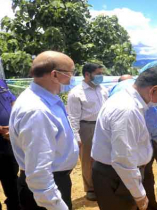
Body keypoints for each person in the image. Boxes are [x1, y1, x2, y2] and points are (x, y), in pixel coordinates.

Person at [91, 66, 157, 210]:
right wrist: (139, 194)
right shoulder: (126, 110)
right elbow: (123, 159)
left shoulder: (133, 101)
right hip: (117, 176)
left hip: (123, 174)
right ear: (154, 90)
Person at [9, 51, 79, 210]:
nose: (72, 78)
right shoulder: (37, 111)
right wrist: (56, 205)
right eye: (70, 73)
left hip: (51, 183)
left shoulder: (45, 100)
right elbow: (39, 172)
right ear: (55, 75)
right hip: (46, 191)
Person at [67, 63, 108, 201]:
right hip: (87, 127)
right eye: (98, 73)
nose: (100, 76)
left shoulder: (102, 89)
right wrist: (76, 136)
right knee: (88, 159)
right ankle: (90, 188)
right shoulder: (76, 93)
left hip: (103, 125)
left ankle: (104, 185)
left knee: (105, 156)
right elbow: (73, 117)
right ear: (87, 74)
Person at [0, 79, 21, 210]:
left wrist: (15, 123)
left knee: (12, 179)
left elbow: (13, 102)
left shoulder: (1, 82)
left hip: (8, 142)